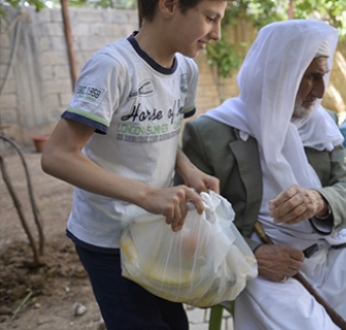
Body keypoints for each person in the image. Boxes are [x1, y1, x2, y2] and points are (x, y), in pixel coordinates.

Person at [180, 19, 346, 330]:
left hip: (327, 250)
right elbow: (192, 224)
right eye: (310, 77)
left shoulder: (322, 123)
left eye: (323, 75)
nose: (320, 90)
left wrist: (319, 200)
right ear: (279, 74)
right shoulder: (210, 134)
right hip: (259, 264)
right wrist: (254, 256)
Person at [40, 1, 228, 328]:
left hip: (155, 233)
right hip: (109, 240)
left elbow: (163, 135)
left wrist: (187, 168)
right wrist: (146, 195)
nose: (218, 34)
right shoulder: (113, 67)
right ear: (169, 5)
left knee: (174, 323)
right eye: (211, 18)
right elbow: (57, 156)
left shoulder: (186, 71)